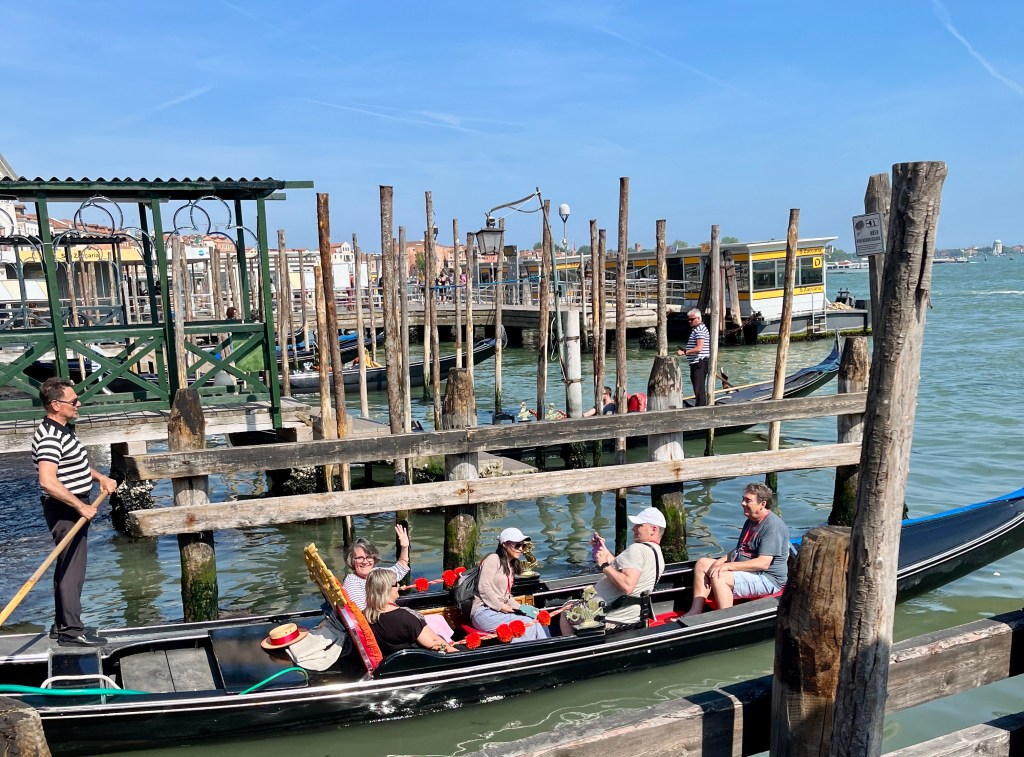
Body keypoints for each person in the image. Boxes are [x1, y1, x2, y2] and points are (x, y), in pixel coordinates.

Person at [32, 377, 117, 646]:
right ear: (56, 405)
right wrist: (80, 506)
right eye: (73, 401)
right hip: (66, 509)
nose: (78, 404)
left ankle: (62, 625)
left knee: (67, 565)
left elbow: (74, 465)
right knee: (72, 569)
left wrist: (99, 477)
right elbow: (47, 481)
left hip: (73, 506)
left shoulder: (64, 430)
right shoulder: (49, 437)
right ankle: (71, 631)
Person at [684, 482, 790, 616]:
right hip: (749, 570)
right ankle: (695, 611)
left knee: (720, 576)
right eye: (743, 499)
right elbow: (740, 549)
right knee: (702, 564)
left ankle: (725, 617)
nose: (743, 503)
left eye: (748, 500)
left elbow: (763, 563)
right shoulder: (750, 520)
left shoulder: (772, 527)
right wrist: (721, 561)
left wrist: (728, 566)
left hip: (768, 578)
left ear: (762, 504)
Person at [561, 507, 665, 635]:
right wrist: (604, 552)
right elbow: (623, 567)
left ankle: (574, 646)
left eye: (639, 525)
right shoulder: (656, 554)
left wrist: (604, 565)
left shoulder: (637, 549)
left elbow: (627, 586)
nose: (633, 529)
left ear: (654, 530)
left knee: (565, 612)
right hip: (628, 615)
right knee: (572, 605)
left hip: (609, 617)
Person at [470, 527, 551, 642]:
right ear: (504, 544)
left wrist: (522, 608)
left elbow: (506, 596)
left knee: (538, 618)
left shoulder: (510, 565)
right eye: (517, 545)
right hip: (484, 612)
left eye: (523, 546)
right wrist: (501, 606)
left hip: (498, 611)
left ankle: (547, 645)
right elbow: (483, 587)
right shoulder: (493, 559)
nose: (520, 549)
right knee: (527, 624)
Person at [364, 568, 456, 656]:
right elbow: (433, 643)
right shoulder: (404, 616)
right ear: (387, 589)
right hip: (420, 659)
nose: (398, 585)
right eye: (396, 584)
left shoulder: (367, 614)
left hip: (394, 658)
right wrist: (455, 651)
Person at [342, 524, 410, 610]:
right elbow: (362, 611)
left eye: (369, 557)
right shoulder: (352, 582)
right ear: (352, 560)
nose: (365, 561)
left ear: (374, 558)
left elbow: (400, 568)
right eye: (359, 558)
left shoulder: (377, 572)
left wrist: (405, 547)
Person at [677, 308, 711, 406]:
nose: (689, 321)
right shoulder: (697, 329)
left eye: (692, 319)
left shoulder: (699, 330)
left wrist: (685, 352)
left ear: (698, 318)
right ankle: (700, 405)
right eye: (689, 319)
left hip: (699, 362)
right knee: (698, 387)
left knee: (699, 388)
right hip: (697, 362)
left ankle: (701, 408)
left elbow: (699, 348)